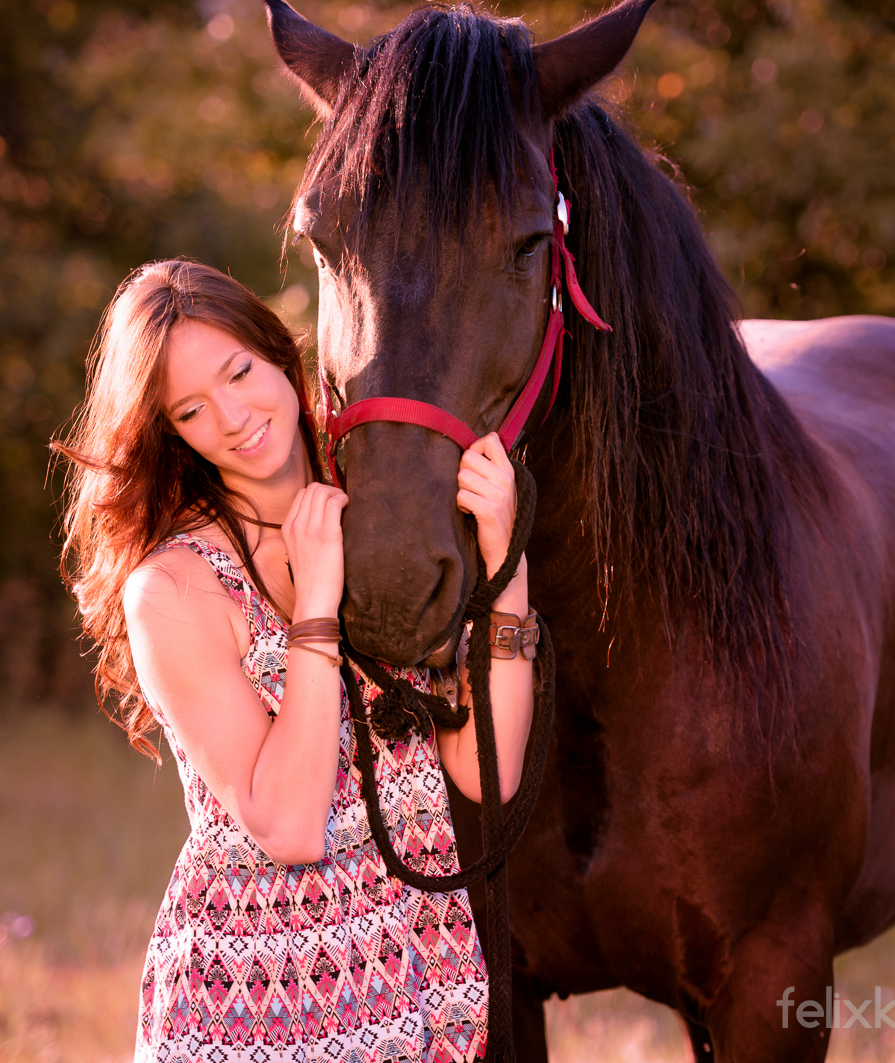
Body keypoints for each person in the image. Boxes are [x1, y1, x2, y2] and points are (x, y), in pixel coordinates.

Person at [53, 259, 535, 1063]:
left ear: (280, 352)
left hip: (417, 984)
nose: (235, 417)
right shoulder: (175, 588)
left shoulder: (384, 517)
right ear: (170, 432)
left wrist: (504, 565)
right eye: (193, 410)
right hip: (256, 1006)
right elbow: (288, 823)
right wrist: (316, 607)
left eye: (241, 371)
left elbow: (486, 772)